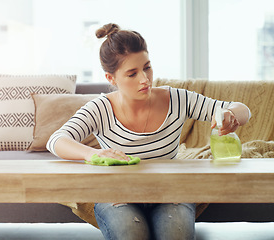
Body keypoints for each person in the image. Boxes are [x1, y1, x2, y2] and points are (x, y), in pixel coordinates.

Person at [46, 23, 251, 240]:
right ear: (111, 78)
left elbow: (242, 109)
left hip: (171, 192)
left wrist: (230, 114)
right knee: (132, 234)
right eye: (132, 73)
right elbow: (57, 140)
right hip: (117, 195)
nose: (144, 79)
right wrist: (91, 154)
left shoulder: (177, 99)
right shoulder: (101, 108)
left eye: (147, 67)